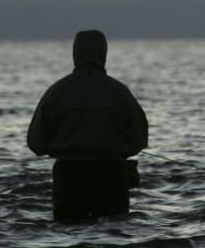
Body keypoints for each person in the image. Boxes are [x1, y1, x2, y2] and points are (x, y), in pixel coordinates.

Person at [27, 29, 148, 222]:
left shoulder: (56, 92)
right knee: (114, 238)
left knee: (69, 236)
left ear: (75, 54)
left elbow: (36, 143)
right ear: (104, 53)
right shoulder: (119, 92)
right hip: (112, 175)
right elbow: (139, 139)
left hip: (69, 176)